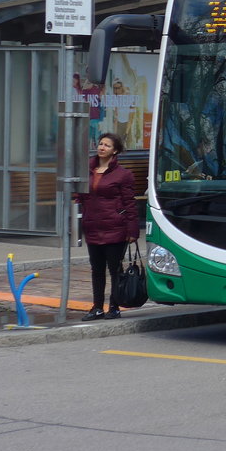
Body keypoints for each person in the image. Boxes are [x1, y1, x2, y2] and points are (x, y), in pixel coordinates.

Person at [75, 132, 139, 320]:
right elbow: (80, 196)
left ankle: (114, 306)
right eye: (101, 144)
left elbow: (130, 203)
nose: (102, 147)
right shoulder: (87, 170)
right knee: (97, 269)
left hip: (115, 228)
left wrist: (132, 230)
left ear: (115, 151)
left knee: (115, 269)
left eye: (107, 145)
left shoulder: (123, 175)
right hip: (92, 226)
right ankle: (96, 307)